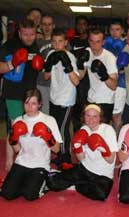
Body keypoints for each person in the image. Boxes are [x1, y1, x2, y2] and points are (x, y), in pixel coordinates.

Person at [46, 104, 118, 201]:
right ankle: (66, 176)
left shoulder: (108, 130)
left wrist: (102, 148)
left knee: (101, 195)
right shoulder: (83, 130)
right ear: (84, 116)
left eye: (95, 116)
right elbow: (81, 158)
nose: (91, 119)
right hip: (84, 169)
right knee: (52, 183)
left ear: (100, 117)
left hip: (103, 175)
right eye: (88, 116)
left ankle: (76, 184)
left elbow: (110, 160)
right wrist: (77, 147)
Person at [0, 89, 62, 201]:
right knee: (7, 194)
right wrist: (13, 140)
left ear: (39, 104)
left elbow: (57, 149)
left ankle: (47, 180)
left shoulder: (49, 120)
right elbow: (18, 150)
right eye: (26, 103)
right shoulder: (19, 120)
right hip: (22, 161)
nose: (29, 107)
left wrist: (47, 136)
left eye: (33, 103)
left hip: (40, 164)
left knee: (30, 195)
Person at [0, 19, 44, 172]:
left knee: (26, 126)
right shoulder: (10, 45)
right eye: (25, 34)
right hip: (13, 92)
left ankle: (25, 157)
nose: (28, 37)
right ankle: (10, 161)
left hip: (29, 93)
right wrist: (13, 63)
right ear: (19, 32)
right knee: (15, 126)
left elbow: (34, 69)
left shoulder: (34, 46)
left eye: (31, 34)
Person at [44, 28, 81, 165]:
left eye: (60, 41)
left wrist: (67, 65)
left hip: (67, 100)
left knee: (62, 129)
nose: (57, 44)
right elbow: (46, 77)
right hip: (54, 97)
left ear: (65, 42)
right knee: (55, 128)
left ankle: (66, 157)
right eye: (54, 41)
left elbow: (76, 81)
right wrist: (48, 65)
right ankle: (61, 153)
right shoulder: (50, 54)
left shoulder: (70, 57)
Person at [83, 28, 118, 124]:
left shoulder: (109, 58)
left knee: (101, 133)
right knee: (89, 130)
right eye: (92, 41)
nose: (94, 45)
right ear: (88, 40)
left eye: (98, 42)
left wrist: (104, 75)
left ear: (103, 42)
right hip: (91, 99)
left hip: (105, 101)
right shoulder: (87, 52)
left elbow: (114, 86)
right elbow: (81, 76)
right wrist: (79, 63)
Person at [103, 20, 126, 135]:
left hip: (120, 84)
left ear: (122, 31)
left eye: (117, 29)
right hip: (105, 83)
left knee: (116, 115)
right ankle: (106, 139)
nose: (114, 32)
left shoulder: (127, 45)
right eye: (112, 29)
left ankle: (117, 141)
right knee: (105, 115)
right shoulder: (104, 44)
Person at [70, 15, 90, 132]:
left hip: (88, 82)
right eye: (79, 24)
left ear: (87, 26)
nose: (81, 26)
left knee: (87, 112)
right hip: (74, 81)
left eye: (84, 24)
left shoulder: (91, 42)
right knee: (76, 113)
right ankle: (78, 139)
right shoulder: (72, 42)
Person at [37, 15, 55, 114]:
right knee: (44, 112)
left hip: (57, 84)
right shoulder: (36, 42)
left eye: (49, 24)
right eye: (44, 24)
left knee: (56, 112)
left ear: (53, 26)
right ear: (40, 26)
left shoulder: (60, 41)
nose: (47, 27)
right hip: (41, 82)